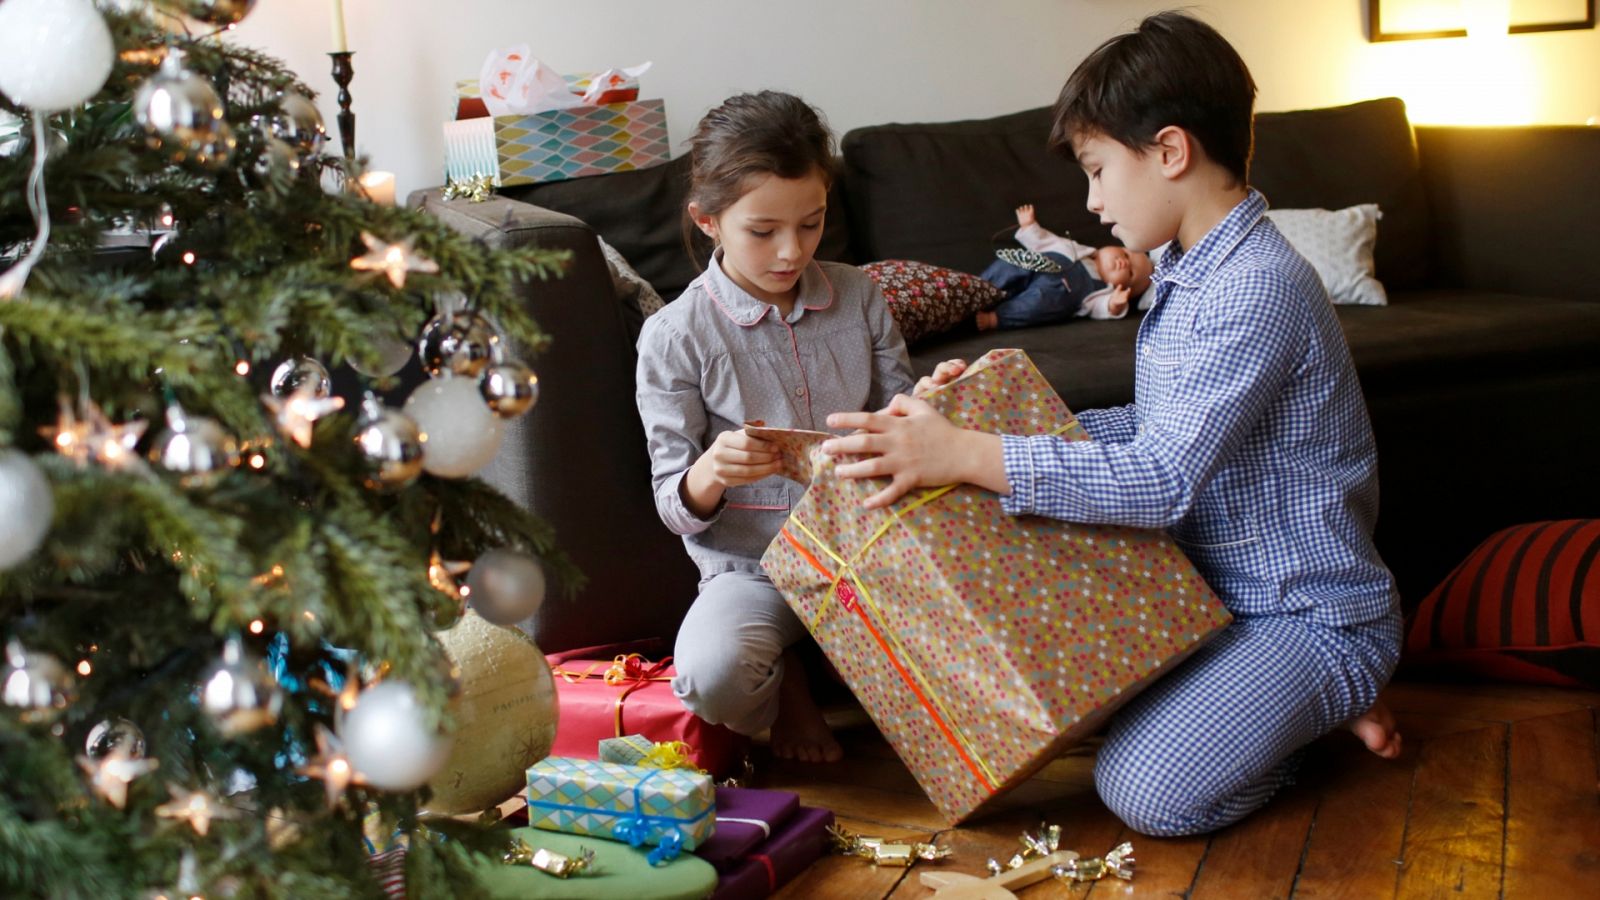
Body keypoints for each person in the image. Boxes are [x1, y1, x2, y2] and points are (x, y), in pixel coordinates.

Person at [819, 11, 1403, 835]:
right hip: (1210, 600)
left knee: (1144, 790)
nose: (1091, 203)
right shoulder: (1189, 270)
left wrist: (971, 452)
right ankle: (1276, 708)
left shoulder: (1256, 287)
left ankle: (1318, 703)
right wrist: (987, 414)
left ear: (1170, 152)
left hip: (1308, 614)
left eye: (1097, 172)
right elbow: (1150, 421)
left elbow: (1161, 478)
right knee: (1064, 701)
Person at [635, 91, 914, 764]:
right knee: (711, 676)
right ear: (708, 220)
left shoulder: (859, 295)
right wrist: (711, 472)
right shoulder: (674, 336)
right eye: (763, 232)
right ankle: (788, 684)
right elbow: (673, 504)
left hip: (880, 545)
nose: (792, 252)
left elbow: (906, 415)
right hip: (755, 571)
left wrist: (930, 407)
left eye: (811, 224)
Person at [975, 203, 1154, 330]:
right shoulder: (1076, 248)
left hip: (1051, 295)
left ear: (1122, 288)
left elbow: (1101, 307)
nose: (1123, 263)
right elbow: (1048, 241)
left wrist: (1114, 305)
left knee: (1033, 306)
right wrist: (1030, 228)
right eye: (1125, 255)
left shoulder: (1099, 293)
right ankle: (977, 289)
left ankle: (996, 318)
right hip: (1035, 263)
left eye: (1130, 273)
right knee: (1009, 265)